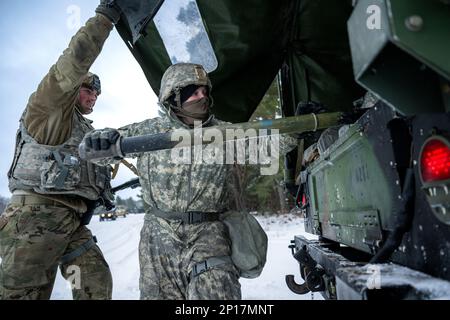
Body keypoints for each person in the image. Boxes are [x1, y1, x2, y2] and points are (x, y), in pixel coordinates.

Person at [83, 63, 298, 300]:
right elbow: (99, 153)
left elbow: (266, 145)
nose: (202, 97)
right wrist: (100, 139)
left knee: (217, 293)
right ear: (174, 97)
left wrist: (298, 128)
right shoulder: (150, 131)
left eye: (205, 92)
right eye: (194, 93)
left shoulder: (223, 133)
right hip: (159, 235)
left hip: (208, 232)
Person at [0, 1, 122, 300]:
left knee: (94, 282)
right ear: (72, 89)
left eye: (96, 92)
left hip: (72, 224)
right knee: (24, 295)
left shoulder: (87, 132)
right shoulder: (49, 109)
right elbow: (74, 62)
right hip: (34, 220)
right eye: (87, 89)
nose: (93, 96)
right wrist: (106, 18)